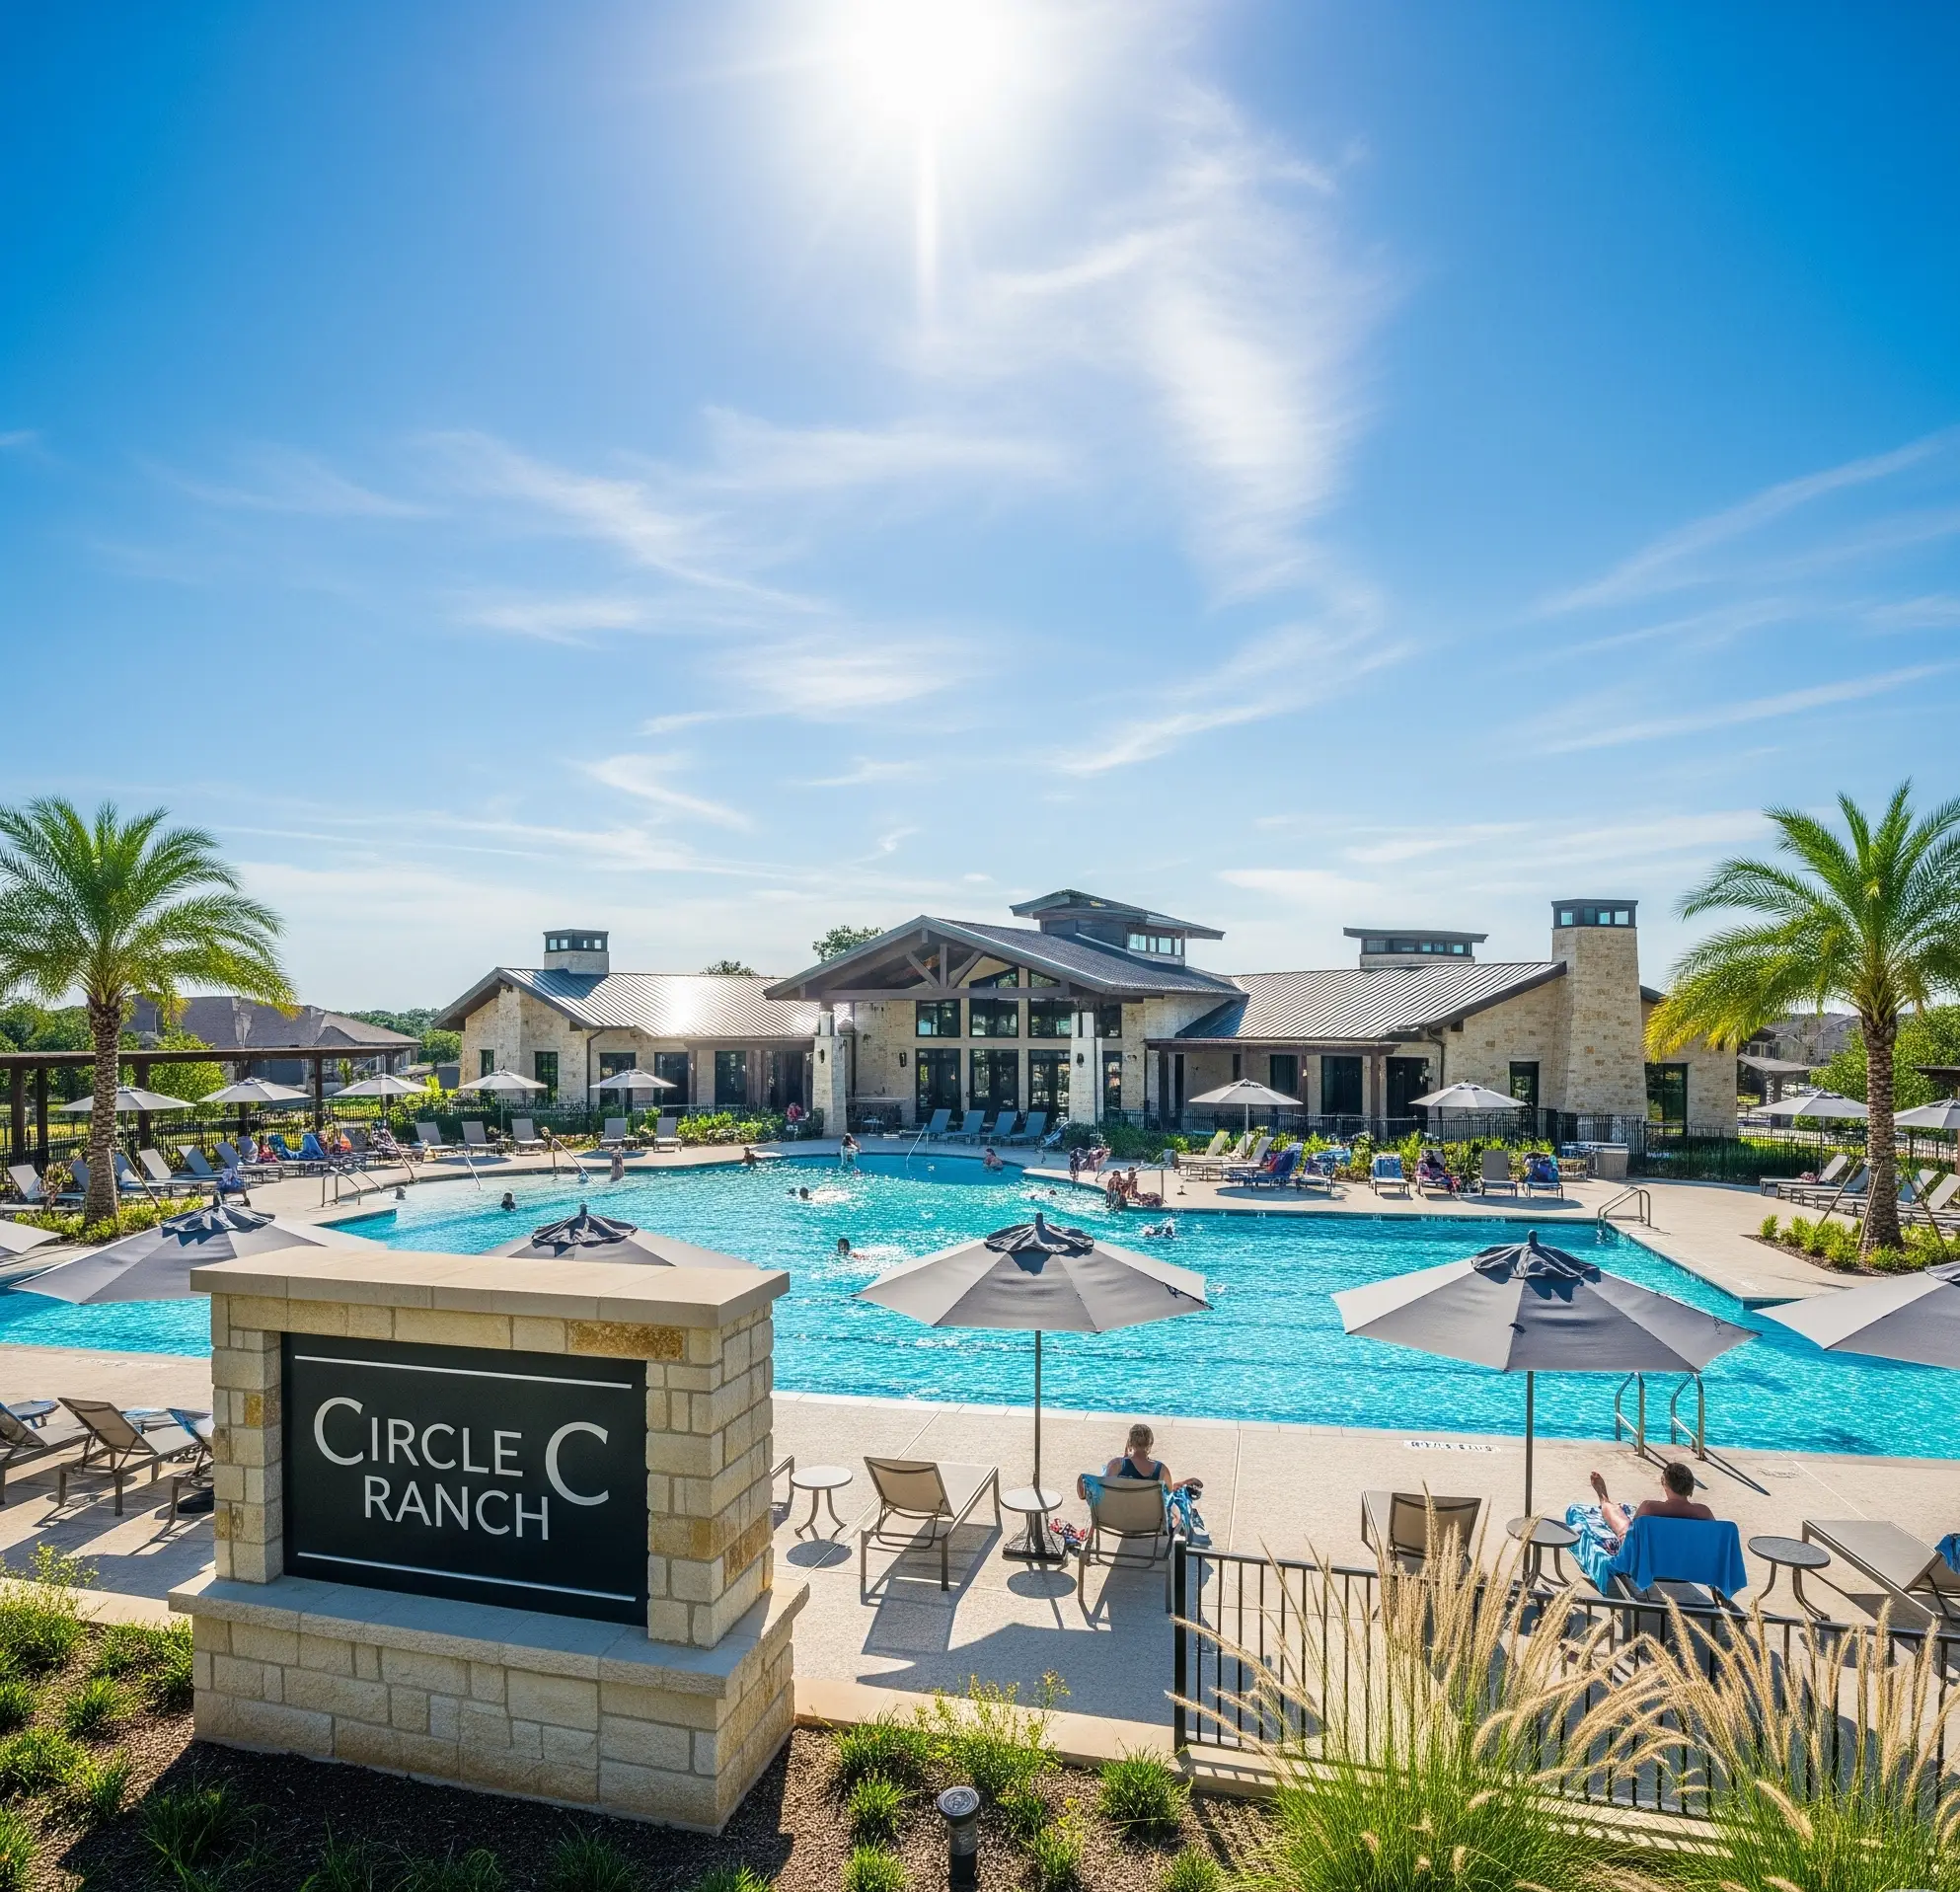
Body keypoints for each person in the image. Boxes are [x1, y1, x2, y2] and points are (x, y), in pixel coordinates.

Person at [1076, 1423, 1208, 1545]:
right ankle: (1183, 1486)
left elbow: (1102, 1493)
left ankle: (1090, 1539)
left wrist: (1124, 1460)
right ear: (1150, 1444)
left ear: (1130, 1443)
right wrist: (1181, 1485)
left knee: (1105, 1477)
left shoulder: (1116, 1465)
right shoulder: (1161, 1469)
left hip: (1117, 1519)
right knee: (1179, 1496)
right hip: (1150, 1523)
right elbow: (1168, 1501)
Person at [1585, 1463, 1713, 1546]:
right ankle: (1609, 1504)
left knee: (1624, 1528)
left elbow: (1632, 1538)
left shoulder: (1650, 1508)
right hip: (1689, 1565)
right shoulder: (1704, 1512)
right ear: (1691, 1488)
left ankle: (1605, 1501)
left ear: (1664, 1484)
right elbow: (1713, 1543)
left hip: (1652, 1563)